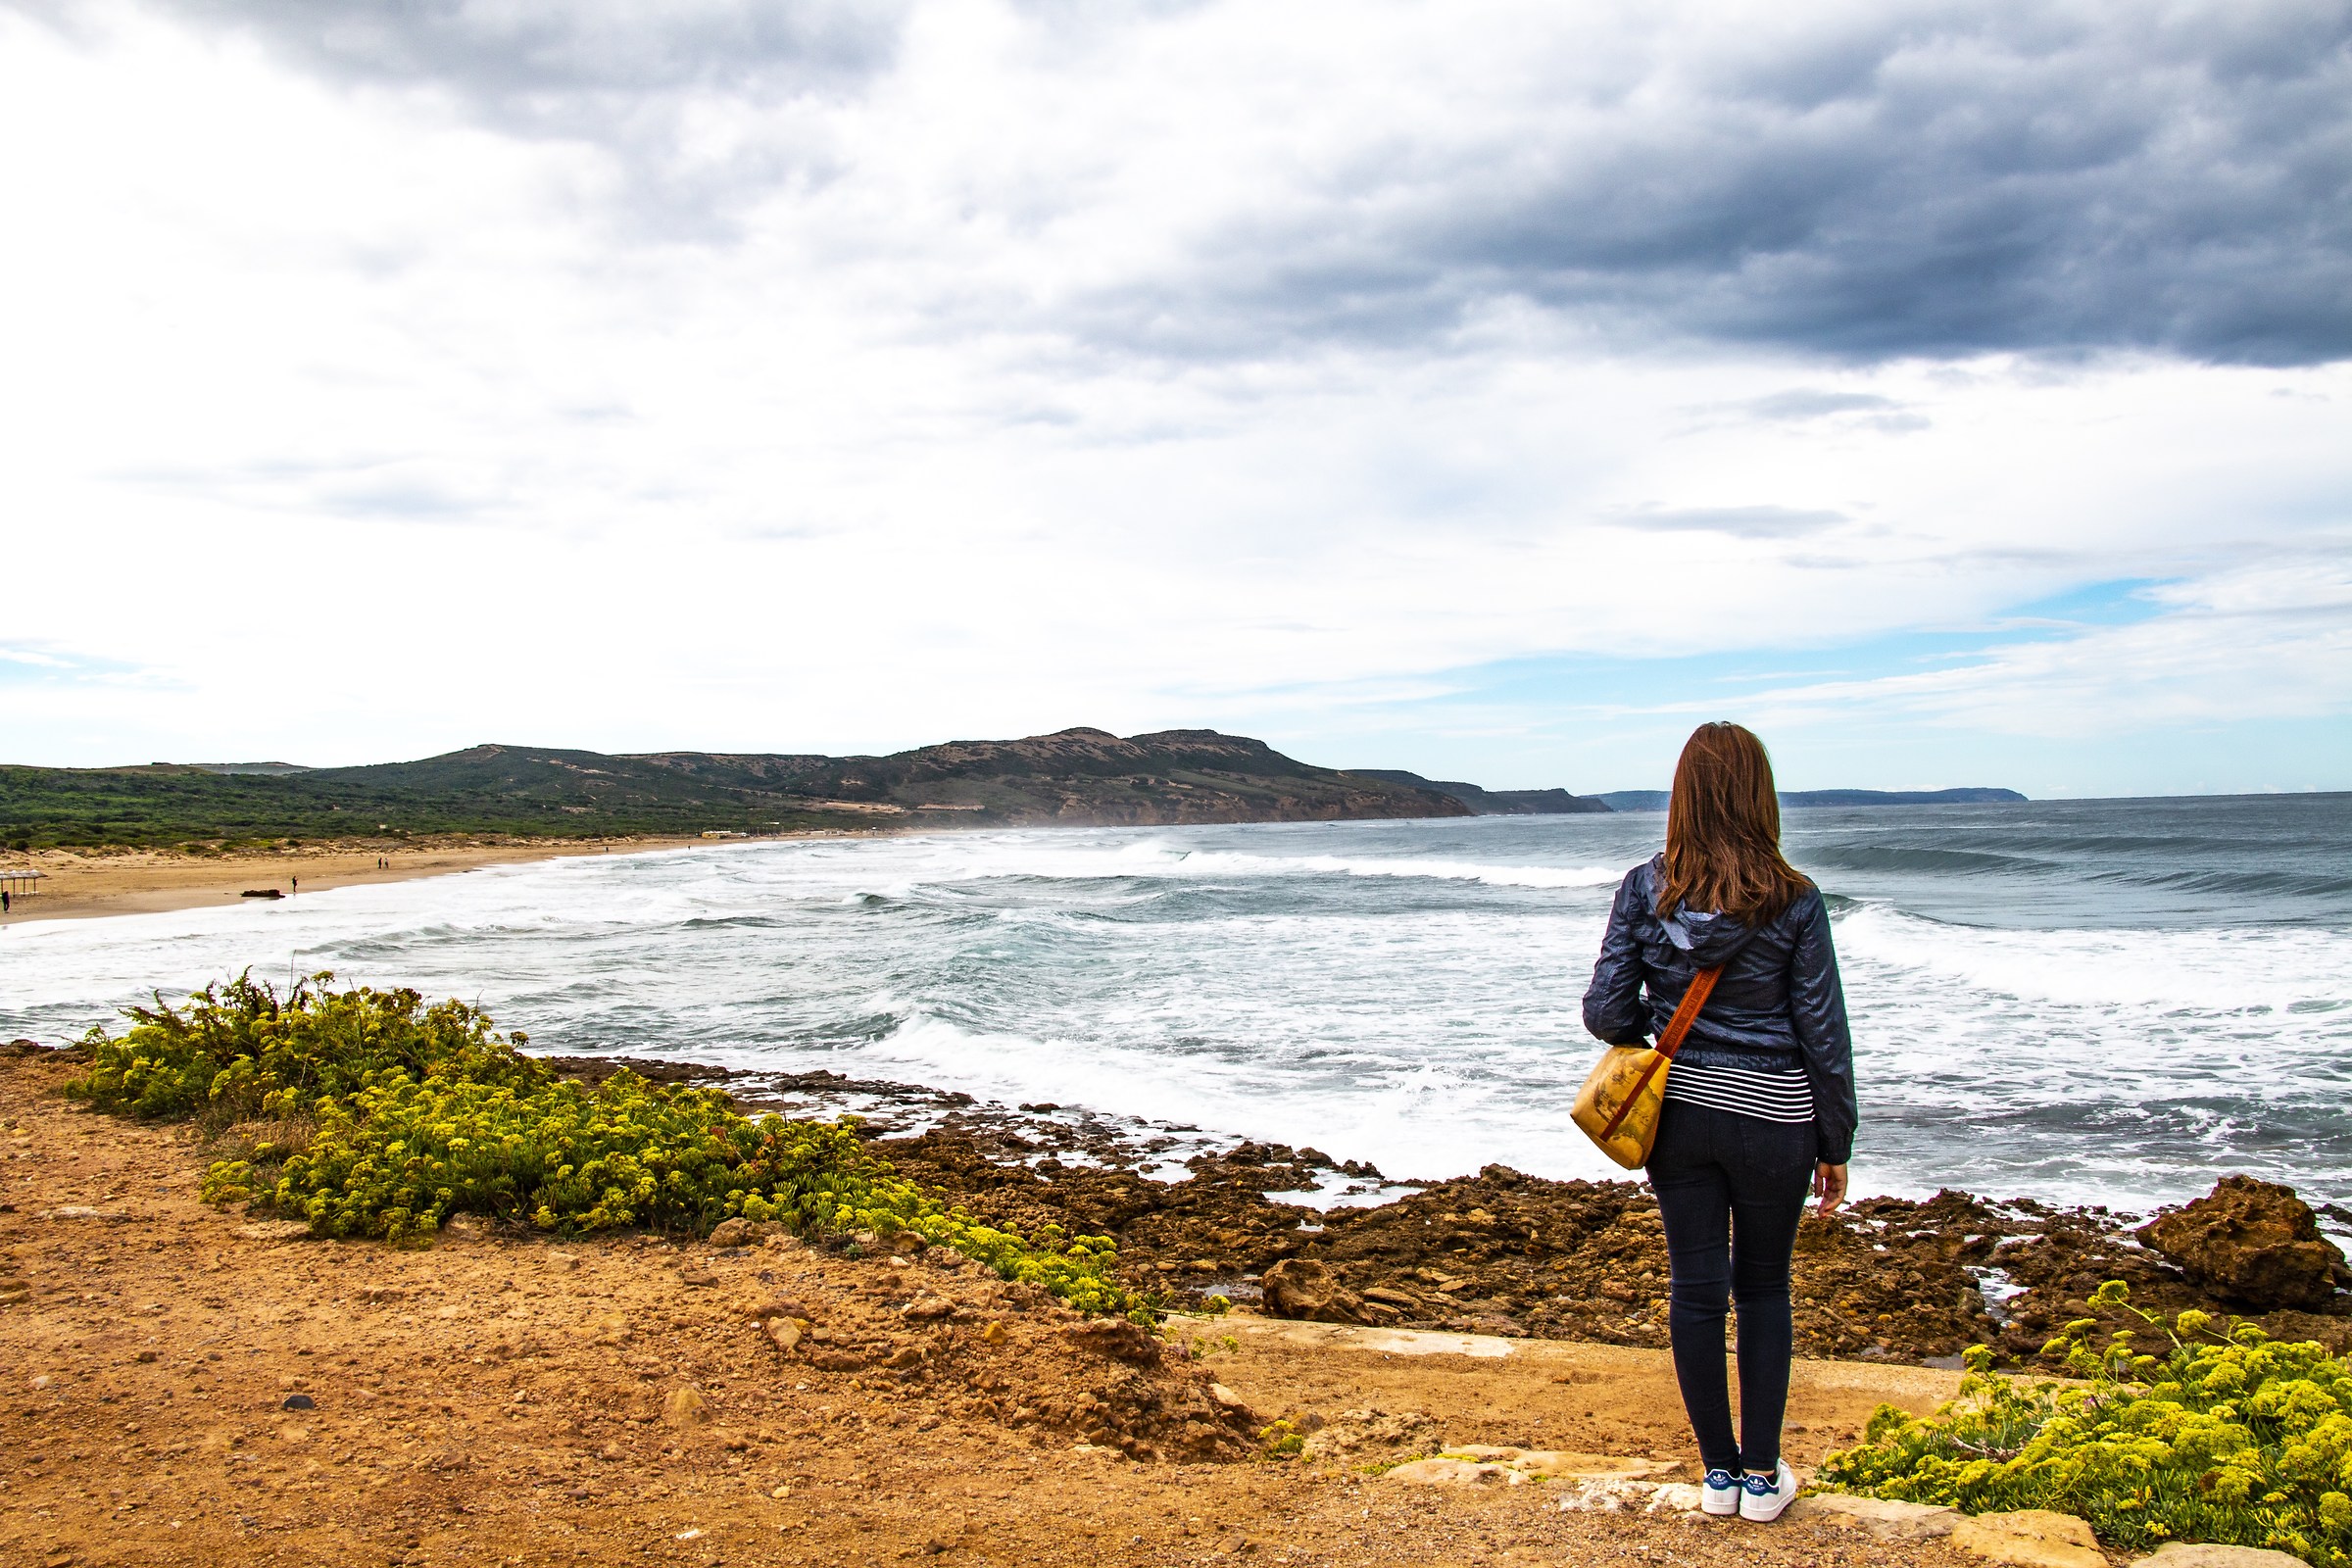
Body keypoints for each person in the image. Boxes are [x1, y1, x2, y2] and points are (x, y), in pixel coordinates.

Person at [1582, 721, 1856, 1524]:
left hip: (1680, 1122)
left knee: (1695, 1289)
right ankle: (1765, 1479)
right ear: (1759, 796)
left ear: (1683, 797)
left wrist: (1665, 1026)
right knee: (1765, 1288)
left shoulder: (1644, 888)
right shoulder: (1795, 897)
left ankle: (1718, 1476)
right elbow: (1822, 1034)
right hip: (1776, 1120)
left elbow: (1603, 1011)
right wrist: (1834, 1143)